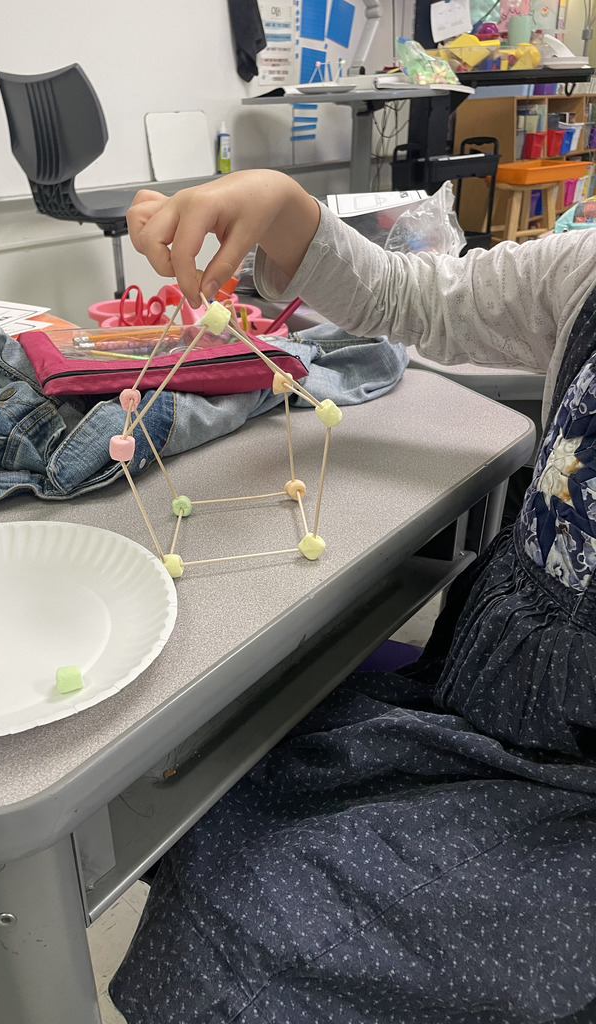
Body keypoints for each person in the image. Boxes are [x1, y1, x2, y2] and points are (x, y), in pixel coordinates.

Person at [109, 170, 596, 1024]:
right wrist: (285, 209)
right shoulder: (583, 271)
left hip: (567, 806)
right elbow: (412, 297)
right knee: (200, 784)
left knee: (254, 926)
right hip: (488, 700)